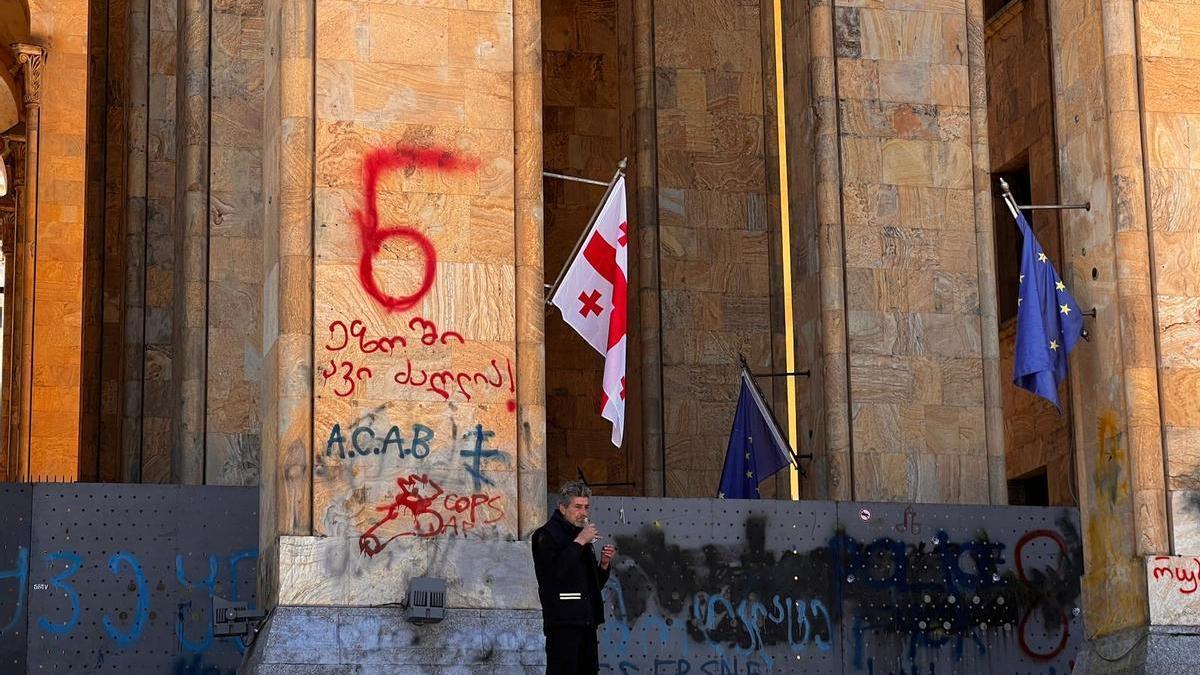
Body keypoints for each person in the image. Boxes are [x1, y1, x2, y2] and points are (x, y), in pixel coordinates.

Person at [531, 481, 617, 675]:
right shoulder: (545, 535)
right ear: (563, 508)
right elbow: (553, 573)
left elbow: (593, 584)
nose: (583, 512)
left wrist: (604, 565)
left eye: (586, 507)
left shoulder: (581, 536)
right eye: (577, 507)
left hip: (587, 620)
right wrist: (580, 541)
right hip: (563, 621)